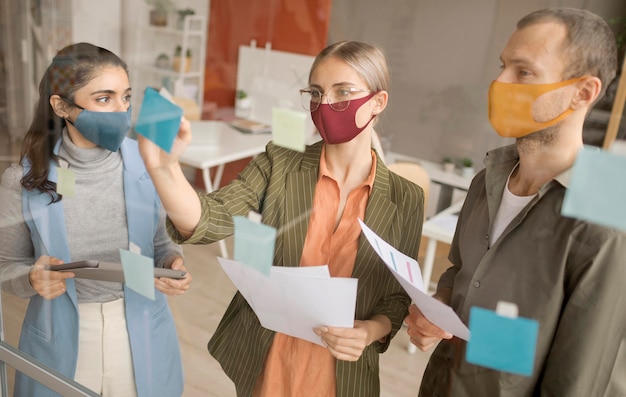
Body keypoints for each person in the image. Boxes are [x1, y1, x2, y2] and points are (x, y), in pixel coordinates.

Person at [139, 41, 424, 397]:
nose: (326, 104)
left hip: (342, 375)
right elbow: (211, 217)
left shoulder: (406, 198)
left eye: (343, 92)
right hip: (271, 364)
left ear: (378, 102)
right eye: (317, 93)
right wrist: (163, 168)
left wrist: (369, 331)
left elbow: (396, 299)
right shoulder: (280, 162)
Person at [405, 7, 626, 396]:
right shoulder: (485, 180)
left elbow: (579, 380)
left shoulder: (608, 215)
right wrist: (437, 308)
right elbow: (459, 273)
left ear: (583, 92)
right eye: (503, 66)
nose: (500, 82)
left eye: (523, 72)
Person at [0, 42, 192, 397]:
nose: (121, 111)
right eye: (104, 99)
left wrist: (170, 262)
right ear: (61, 106)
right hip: (63, 338)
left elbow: (160, 241)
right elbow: (5, 266)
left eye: (126, 97)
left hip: (140, 331)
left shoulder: (148, 162)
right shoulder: (22, 180)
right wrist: (31, 278)